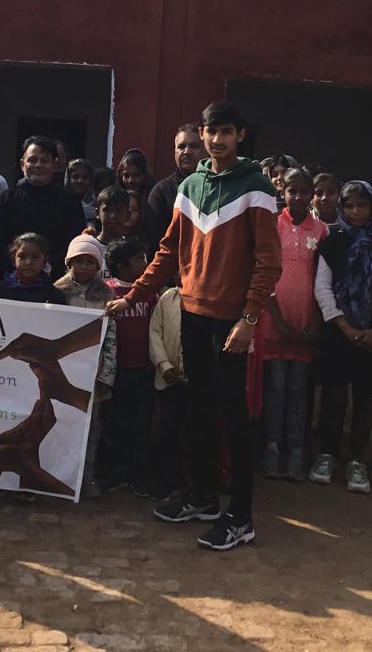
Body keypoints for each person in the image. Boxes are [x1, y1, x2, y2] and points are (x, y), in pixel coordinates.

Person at [108, 101, 281, 552]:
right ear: (201, 136)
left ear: (240, 135)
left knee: (234, 417)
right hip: (193, 313)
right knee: (197, 410)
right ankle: (202, 498)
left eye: (226, 131)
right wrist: (133, 295)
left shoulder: (258, 188)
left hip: (231, 322)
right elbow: (167, 253)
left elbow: (268, 263)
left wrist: (248, 319)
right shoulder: (188, 186)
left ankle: (240, 517)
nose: (217, 139)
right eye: (211, 131)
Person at [310, 181, 372, 495]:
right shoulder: (331, 245)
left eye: (361, 206)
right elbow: (322, 289)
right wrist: (345, 327)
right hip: (338, 334)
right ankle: (326, 455)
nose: (354, 212)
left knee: (365, 400)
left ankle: (357, 461)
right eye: (349, 206)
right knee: (334, 399)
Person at [256, 166, 327, 482]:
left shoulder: (321, 231)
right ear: (281, 193)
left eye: (303, 191)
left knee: (300, 390)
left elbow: (325, 280)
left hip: (306, 325)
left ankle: (296, 452)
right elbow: (264, 272)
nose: (297, 197)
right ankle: (271, 449)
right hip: (275, 322)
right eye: (291, 191)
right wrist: (276, 317)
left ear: (311, 193)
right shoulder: (272, 226)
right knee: (275, 387)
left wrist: (314, 320)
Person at [53, 234, 117, 498]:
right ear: (69, 262)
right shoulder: (57, 291)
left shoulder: (106, 294)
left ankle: (85, 477)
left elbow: (111, 337)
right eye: (78, 261)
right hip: (60, 373)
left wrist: (106, 375)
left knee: (91, 430)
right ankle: (57, 476)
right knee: (59, 424)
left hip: (92, 373)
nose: (84, 267)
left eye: (90, 262)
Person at [0, 136, 87, 279]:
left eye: (44, 161)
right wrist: (17, 265)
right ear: (22, 164)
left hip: (55, 280)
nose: (38, 165)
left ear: (54, 165)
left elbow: (74, 242)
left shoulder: (69, 201)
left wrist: (46, 266)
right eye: (32, 160)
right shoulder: (7, 198)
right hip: (11, 279)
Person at [102, 238, 155, 495]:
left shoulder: (149, 292)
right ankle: (117, 470)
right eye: (139, 259)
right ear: (122, 267)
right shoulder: (105, 292)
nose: (146, 263)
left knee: (141, 422)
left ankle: (140, 472)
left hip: (144, 368)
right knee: (115, 421)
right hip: (115, 371)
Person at [148, 284, 187, 501]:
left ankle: (191, 484)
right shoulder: (167, 299)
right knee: (168, 430)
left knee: (192, 432)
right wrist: (163, 365)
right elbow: (155, 332)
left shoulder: (212, 300)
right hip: (168, 379)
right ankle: (170, 481)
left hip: (196, 381)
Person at [147, 126, 208, 247]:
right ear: (174, 151)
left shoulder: (218, 187)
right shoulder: (162, 191)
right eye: (181, 147)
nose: (187, 151)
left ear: (206, 150)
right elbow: (154, 241)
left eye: (194, 146)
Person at [0, 233, 68, 304]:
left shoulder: (54, 296)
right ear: (14, 260)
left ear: (45, 262)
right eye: (22, 256)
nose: (28, 262)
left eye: (35, 257)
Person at [93, 185, 134, 250]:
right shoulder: (90, 247)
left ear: (128, 215)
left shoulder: (132, 250)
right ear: (97, 213)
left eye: (119, 210)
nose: (113, 216)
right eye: (107, 210)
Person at [64, 158, 97, 223]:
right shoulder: (60, 201)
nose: (80, 181)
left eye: (85, 177)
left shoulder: (98, 203)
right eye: (75, 177)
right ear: (68, 178)